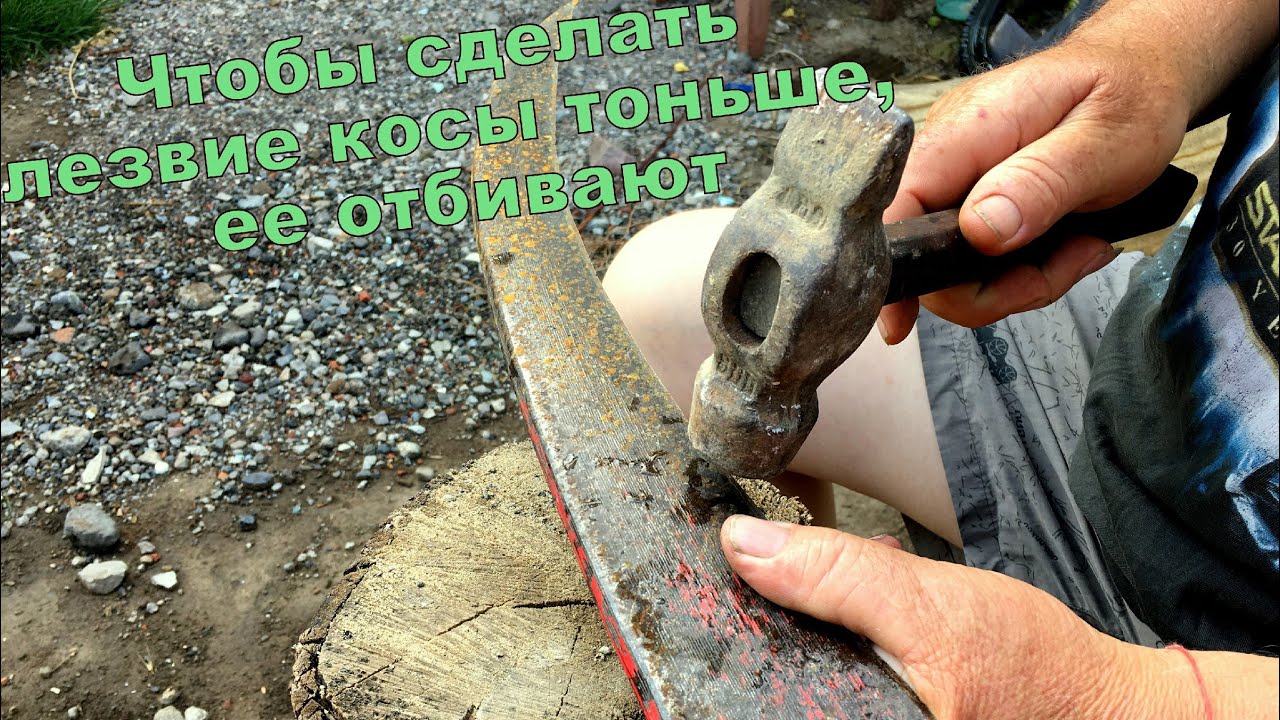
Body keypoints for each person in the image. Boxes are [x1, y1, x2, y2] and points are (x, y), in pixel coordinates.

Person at [602, 0, 1278, 716]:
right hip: (1152, 366)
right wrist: (1153, 45)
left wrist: (1131, 696)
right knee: (660, 295)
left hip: (1231, 655)